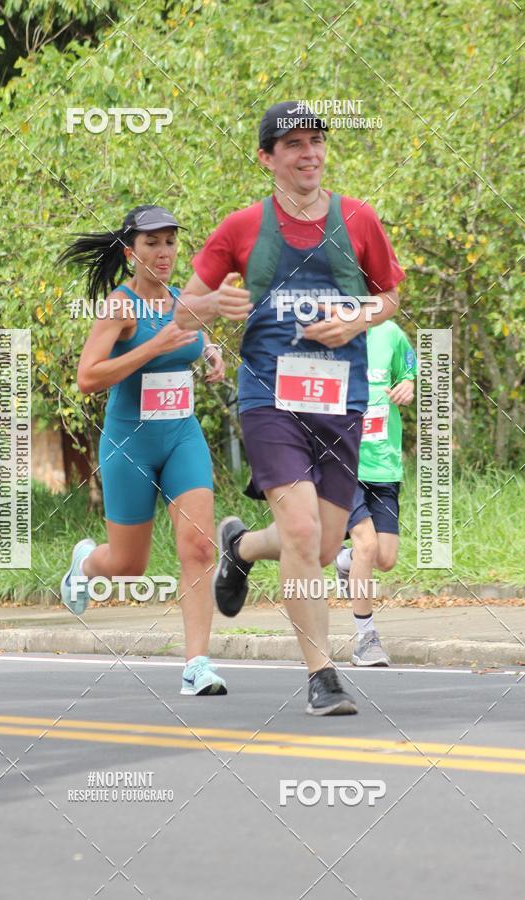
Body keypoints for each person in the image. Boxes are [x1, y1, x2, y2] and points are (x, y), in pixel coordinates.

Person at [175, 102, 405, 715]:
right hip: (270, 399)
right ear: (267, 158)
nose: (310, 153)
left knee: (323, 549)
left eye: (317, 141)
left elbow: (389, 296)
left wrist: (354, 318)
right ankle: (322, 675)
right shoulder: (242, 228)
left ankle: (242, 547)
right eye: (295, 144)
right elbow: (182, 312)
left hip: (341, 399)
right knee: (302, 532)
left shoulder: (357, 218)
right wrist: (214, 306)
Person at [57, 204, 228, 696]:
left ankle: (197, 665)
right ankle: (85, 564)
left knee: (200, 547)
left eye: (170, 241)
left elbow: (189, 335)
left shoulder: (181, 299)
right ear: (131, 251)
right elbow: (87, 377)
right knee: (129, 566)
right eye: (152, 243)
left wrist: (209, 350)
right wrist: (151, 349)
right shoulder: (120, 305)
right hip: (129, 442)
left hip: (181, 436)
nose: (163, 252)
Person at [334, 320, 417, 666]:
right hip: (342, 461)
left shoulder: (390, 333)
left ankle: (344, 561)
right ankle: (366, 639)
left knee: (384, 558)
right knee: (366, 545)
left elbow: (409, 371)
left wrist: (408, 385)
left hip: (384, 463)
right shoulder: (327, 332)